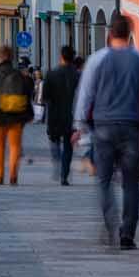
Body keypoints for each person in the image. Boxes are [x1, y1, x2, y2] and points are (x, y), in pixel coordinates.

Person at [73, 14, 139, 249]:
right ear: (129, 34)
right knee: (131, 182)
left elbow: (85, 94)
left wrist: (79, 127)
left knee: (104, 180)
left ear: (109, 34)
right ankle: (127, 233)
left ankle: (110, 224)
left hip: (104, 126)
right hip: (132, 126)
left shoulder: (97, 59)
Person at [0, 45, 34, 185]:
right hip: (16, 115)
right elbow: (26, 95)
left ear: (0, 57)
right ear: (11, 58)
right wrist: (30, 114)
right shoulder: (18, 74)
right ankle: (13, 175)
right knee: (15, 146)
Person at [42, 45, 80, 186]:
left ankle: (57, 161)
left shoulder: (51, 74)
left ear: (61, 57)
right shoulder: (77, 75)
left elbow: (45, 97)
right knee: (69, 147)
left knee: (55, 141)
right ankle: (64, 174)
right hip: (71, 116)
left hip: (54, 115)